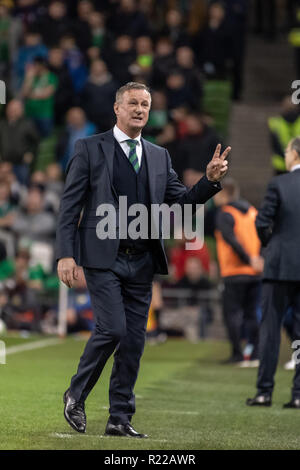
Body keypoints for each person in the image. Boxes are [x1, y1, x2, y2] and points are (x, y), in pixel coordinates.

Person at [56, 82, 230, 437]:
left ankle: (119, 418)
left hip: (142, 261)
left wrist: (209, 183)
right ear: (117, 108)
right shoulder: (88, 148)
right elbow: (69, 206)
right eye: (133, 103)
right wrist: (65, 254)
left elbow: (181, 206)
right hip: (103, 258)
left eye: (146, 104)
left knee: (135, 341)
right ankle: (76, 391)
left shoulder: (158, 155)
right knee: (113, 329)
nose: (140, 109)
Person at [247, 137, 300, 408]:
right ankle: (298, 395)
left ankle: (264, 392)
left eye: (288, 151)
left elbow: (262, 221)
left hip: (279, 266)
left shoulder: (279, 184)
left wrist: (272, 245)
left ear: (294, 154)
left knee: (270, 329)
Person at [214, 178, 263, 364]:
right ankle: (256, 354)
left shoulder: (225, 213)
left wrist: (248, 258)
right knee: (252, 313)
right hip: (255, 272)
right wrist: (260, 259)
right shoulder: (252, 212)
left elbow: (231, 240)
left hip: (234, 272)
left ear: (224, 193)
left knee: (232, 314)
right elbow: (265, 235)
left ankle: (237, 354)